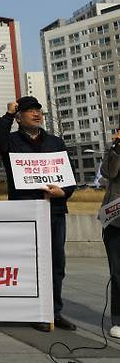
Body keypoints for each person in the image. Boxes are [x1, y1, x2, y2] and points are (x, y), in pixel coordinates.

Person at [0, 96, 76, 332]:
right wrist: (8, 115)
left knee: (57, 263)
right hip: (25, 210)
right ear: (19, 117)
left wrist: (64, 192)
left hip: (54, 210)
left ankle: (54, 311)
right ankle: (33, 311)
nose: (36, 114)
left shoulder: (55, 142)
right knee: (30, 263)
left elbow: (69, 175)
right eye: (29, 111)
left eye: (39, 110)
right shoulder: (11, 141)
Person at [101, 129, 120, 338]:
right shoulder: (114, 148)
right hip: (116, 219)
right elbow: (108, 172)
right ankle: (118, 319)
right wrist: (117, 149)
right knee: (118, 271)